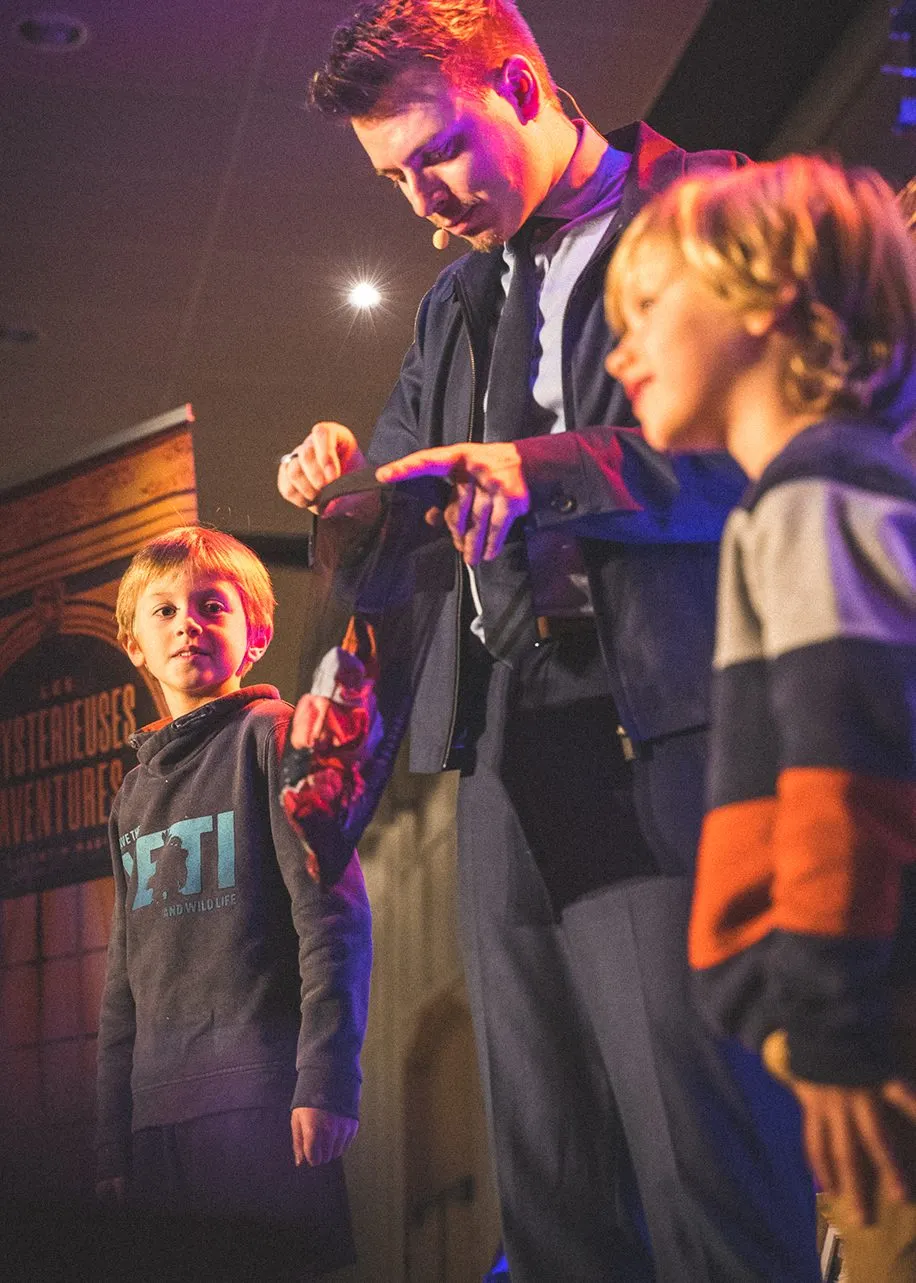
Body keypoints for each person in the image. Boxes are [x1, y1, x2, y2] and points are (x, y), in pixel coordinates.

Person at [278, 4, 821, 1279]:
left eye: (439, 156)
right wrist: (348, 489)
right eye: (396, 179)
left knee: (710, 1170)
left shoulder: (714, 216)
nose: (424, 203)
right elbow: (404, 516)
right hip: (503, 753)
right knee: (553, 1190)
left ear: (518, 81)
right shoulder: (455, 301)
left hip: (666, 739)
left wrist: (542, 469)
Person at [605, 154, 916, 1283]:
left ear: (764, 294)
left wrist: (833, 1023)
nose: (616, 352)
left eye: (643, 310)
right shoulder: (799, 502)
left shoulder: (815, 497)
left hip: (876, 1028)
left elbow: (851, 760)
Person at [95, 526, 372, 1280]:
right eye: (165, 609)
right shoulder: (132, 796)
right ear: (133, 643)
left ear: (255, 635)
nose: (189, 621)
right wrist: (112, 1138)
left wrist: (326, 1078)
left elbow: (332, 916)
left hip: (263, 1103)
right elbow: (124, 979)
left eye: (212, 605)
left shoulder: (272, 738)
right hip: (157, 1126)